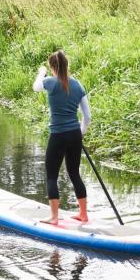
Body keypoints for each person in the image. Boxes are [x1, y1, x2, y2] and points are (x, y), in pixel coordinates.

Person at [33, 50, 91, 226]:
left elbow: (35, 87)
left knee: (51, 176)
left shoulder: (50, 82)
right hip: (74, 134)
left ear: (53, 67)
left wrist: (41, 73)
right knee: (74, 173)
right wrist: (79, 134)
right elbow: (87, 117)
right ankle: (83, 214)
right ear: (67, 65)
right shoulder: (78, 85)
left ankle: (54, 217)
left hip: (58, 135)